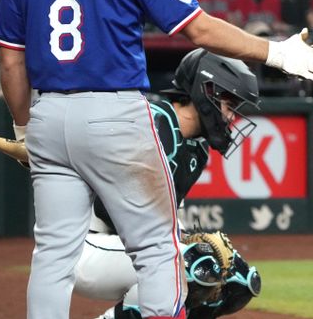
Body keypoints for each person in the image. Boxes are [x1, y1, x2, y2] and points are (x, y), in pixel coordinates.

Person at [0, 0, 313, 319]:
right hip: (113, 112)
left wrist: (24, 127)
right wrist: (275, 51)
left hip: (49, 112)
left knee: (52, 256)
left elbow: (10, 63)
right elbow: (197, 29)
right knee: (159, 249)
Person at [73, 50, 262, 319]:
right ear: (207, 92)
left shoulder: (196, 148)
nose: (233, 118)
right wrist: (181, 247)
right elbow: (108, 209)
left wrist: (184, 241)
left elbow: (164, 218)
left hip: (126, 248)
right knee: (189, 264)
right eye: (230, 105)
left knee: (233, 281)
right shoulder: (153, 124)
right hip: (85, 245)